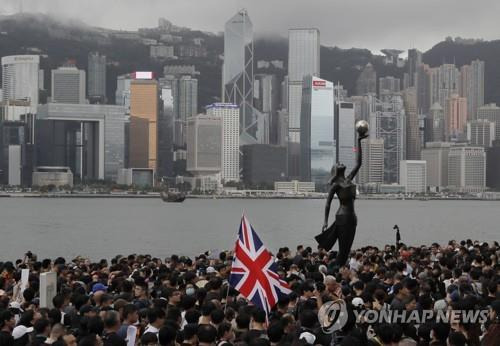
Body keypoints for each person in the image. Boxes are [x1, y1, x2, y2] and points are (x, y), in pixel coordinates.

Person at [316, 131, 368, 266]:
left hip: (352, 218)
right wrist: (325, 221)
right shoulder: (336, 185)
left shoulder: (349, 179)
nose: (341, 162)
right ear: (336, 170)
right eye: (338, 163)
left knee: (346, 249)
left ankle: (338, 269)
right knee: (343, 250)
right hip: (342, 217)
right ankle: (335, 270)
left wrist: (359, 141)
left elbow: (359, 163)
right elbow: (327, 204)